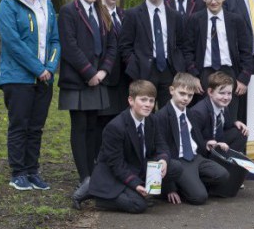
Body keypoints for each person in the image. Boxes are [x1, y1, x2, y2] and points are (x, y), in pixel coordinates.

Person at [0, 0, 60, 191]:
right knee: (19, 125)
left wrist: (50, 68)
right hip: (18, 77)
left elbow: (55, 40)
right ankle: (18, 173)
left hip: (44, 77)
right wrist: (38, 68)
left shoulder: (47, 5)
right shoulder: (8, 3)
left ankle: (33, 170)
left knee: (36, 126)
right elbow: (13, 43)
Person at [73, 80, 184, 213]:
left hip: (137, 166)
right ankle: (99, 197)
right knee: (138, 205)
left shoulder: (152, 120)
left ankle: (140, 192)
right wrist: (135, 184)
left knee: (175, 167)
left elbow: (162, 146)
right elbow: (116, 164)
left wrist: (163, 160)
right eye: (143, 100)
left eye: (151, 101)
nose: (148, 105)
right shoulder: (115, 127)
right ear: (131, 100)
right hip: (115, 173)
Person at [58, 0, 117, 186]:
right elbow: (70, 46)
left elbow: (112, 46)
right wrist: (89, 73)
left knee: (94, 125)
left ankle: (93, 172)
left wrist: (103, 72)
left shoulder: (103, 12)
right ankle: (84, 175)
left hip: (98, 78)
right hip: (78, 79)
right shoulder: (68, 12)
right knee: (80, 125)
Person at [152, 73, 230, 205]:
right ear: (172, 90)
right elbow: (158, 150)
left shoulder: (189, 113)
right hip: (178, 161)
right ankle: (184, 184)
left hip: (195, 157)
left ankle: (190, 182)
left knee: (223, 175)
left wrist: (206, 143)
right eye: (182, 94)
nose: (186, 98)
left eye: (190, 95)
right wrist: (169, 188)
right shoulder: (161, 116)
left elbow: (194, 137)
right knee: (199, 197)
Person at [118, 0, 188, 108]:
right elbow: (125, 45)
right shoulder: (132, 14)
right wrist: (134, 66)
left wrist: (179, 65)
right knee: (144, 111)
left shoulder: (174, 16)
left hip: (169, 70)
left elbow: (181, 44)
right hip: (143, 70)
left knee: (168, 112)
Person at [184, 0, 253, 121]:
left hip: (229, 72)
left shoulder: (235, 20)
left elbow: (246, 51)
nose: (213, 2)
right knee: (204, 117)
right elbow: (187, 51)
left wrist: (243, 79)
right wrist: (194, 77)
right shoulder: (195, 20)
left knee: (230, 118)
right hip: (204, 74)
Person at [97, 0, 129, 155]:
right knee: (102, 122)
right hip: (104, 77)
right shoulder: (96, 14)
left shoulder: (123, 14)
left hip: (122, 79)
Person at [190, 71, 248, 154]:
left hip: (217, 140)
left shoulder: (223, 106)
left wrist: (235, 123)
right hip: (205, 147)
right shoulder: (198, 112)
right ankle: (218, 161)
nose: (226, 97)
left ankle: (229, 159)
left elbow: (225, 127)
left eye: (229, 93)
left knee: (241, 132)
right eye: (222, 93)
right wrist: (214, 145)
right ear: (210, 92)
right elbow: (194, 142)